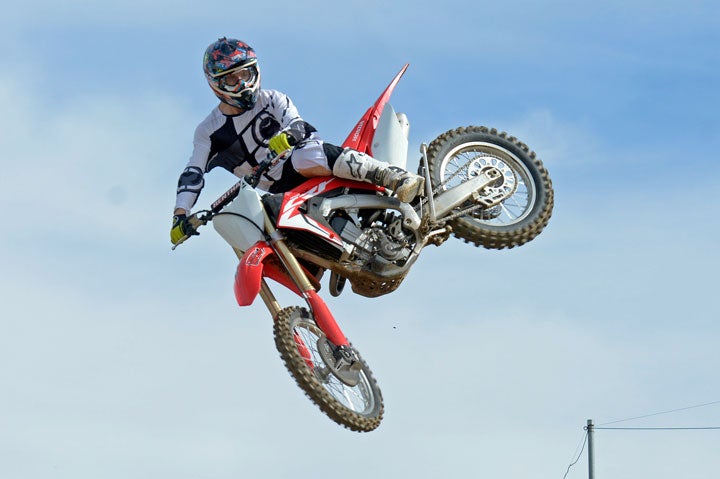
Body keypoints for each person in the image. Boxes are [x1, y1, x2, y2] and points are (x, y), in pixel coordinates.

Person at [170, 37, 424, 244]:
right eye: (231, 79)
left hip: (301, 160)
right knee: (259, 217)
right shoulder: (208, 131)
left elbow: (298, 124)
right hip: (279, 189)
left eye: (245, 75)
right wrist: (180, 215)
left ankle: (393, 176)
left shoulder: (272, 99)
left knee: (304, 155)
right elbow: (193, 173)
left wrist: (287, 137)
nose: (242, 84)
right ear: (216, 84)